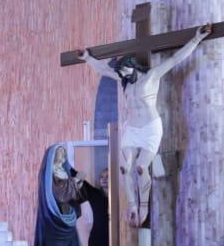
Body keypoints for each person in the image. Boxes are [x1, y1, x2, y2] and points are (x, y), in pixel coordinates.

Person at [77, 24, 210, 228]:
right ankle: (132, 206)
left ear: (132, 66)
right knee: (124, 168)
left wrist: (196, 39)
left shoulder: (152, 76)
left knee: (140, 167)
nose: (122, 74)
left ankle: (144, 208)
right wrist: (87, 58)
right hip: (132, 129)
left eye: (124, 70)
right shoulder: (125, 80)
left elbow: (175, 60)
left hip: (150, 128)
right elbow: (105, 69)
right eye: (121, 72)